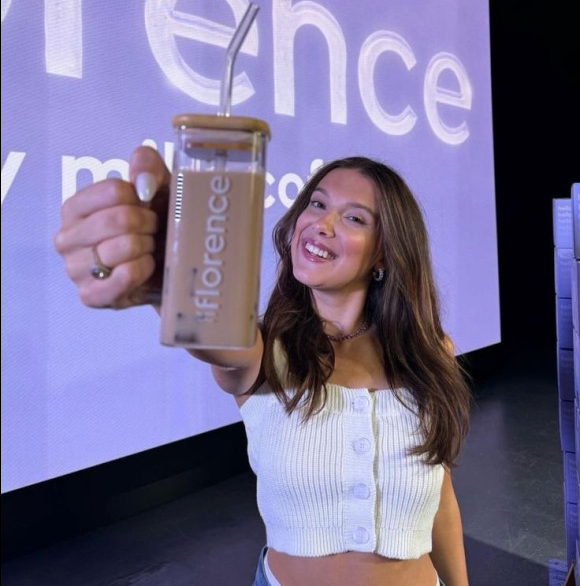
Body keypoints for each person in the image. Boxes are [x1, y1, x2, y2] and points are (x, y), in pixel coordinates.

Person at [54, 145, 471, 586]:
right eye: (317, 204)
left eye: (354, 218)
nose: (323, 224)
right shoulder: (265, 348)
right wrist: (171, 287)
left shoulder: (429, 352)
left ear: (384, 254)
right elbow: (214, 337)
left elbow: (441, 499)